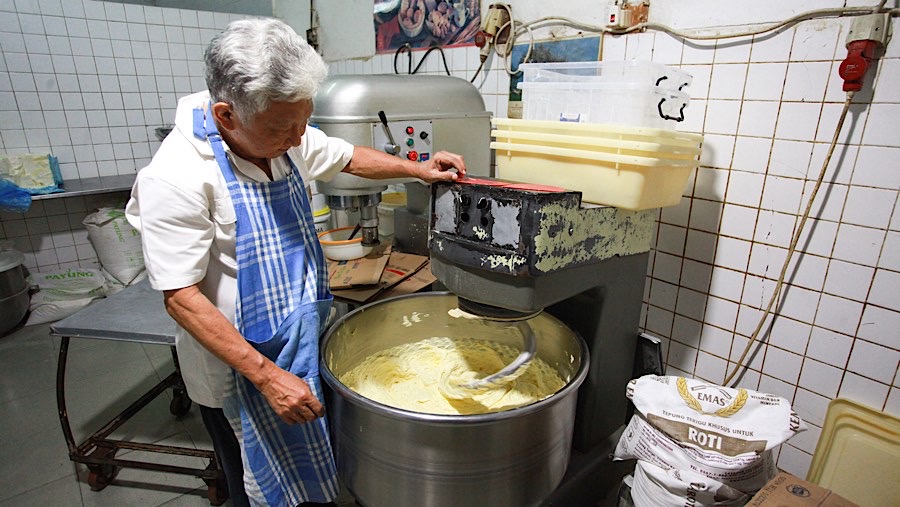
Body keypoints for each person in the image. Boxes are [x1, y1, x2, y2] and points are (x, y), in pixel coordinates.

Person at [125, 18, 466, 507]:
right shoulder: (176, 177)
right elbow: (181, 299)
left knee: (307, 464)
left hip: (298, 337)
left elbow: (346, 157)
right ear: (226, 115)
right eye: (283, 127)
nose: (298, 135)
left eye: (304, 119)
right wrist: (267, 377)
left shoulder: (282, 130)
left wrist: (417, 169)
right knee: (254, 479)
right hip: (238, 370)